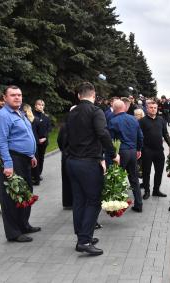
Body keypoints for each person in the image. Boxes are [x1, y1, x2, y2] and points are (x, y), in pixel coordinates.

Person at [65, 82, 120, 256]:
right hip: (88, 163)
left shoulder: (72, 112)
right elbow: (102, 133)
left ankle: (82, 236)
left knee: (80, 200)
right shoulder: (96, 112)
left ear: (79, 96)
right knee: (94, 201)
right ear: (94, 95)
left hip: (71, 162)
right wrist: (112, 154)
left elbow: (63, 138)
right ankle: (84, 241)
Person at [0, 85, 41, 242]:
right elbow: (1, 142)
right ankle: (13, 233)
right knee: (11, 197)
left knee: (25, 193)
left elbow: (25, 136)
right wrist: (8, 164)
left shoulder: (20, 113)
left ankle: (23, 224)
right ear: (5, 98)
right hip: (12, 159)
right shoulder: (2, 116)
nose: (17, 97)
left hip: (25, 159)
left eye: (19, 95)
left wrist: (31, 155)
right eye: (13, 95)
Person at [109, 99, 144, 212]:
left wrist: (112, 155)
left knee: (117, 178)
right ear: (124, 108)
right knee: (134, 179)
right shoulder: (134, 119)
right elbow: (140, 136)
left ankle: (116, 205)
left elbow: (110, 140)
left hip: (121, 153)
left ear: (114, 109)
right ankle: (138, 204)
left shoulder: (113, 121)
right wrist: (138, 149)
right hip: (133, 152)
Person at [139, 101, 170, 200]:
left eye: (155, 107)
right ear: (147, 108)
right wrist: (139, 149)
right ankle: (147, 191)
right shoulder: (142, 121)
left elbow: (165, 134)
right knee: (146, 172)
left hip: (159, 151)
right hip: (147, 150)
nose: (153, 109)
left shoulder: (161, 120)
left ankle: (156, 190)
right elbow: (139, 136)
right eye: (151, 107)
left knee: (159, 171)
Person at [32, 99, 50, 185]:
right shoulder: (31, 115)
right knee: (36, 157)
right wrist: (37, 139)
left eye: (42, 105)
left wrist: (45, 137)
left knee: (41, 157)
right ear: (35, 105)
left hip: (44, 141)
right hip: (35, 141)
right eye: (39, 104)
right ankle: (34, 174)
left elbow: (48, 128)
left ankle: (39, 173)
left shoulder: (46, 116)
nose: (41, 106)